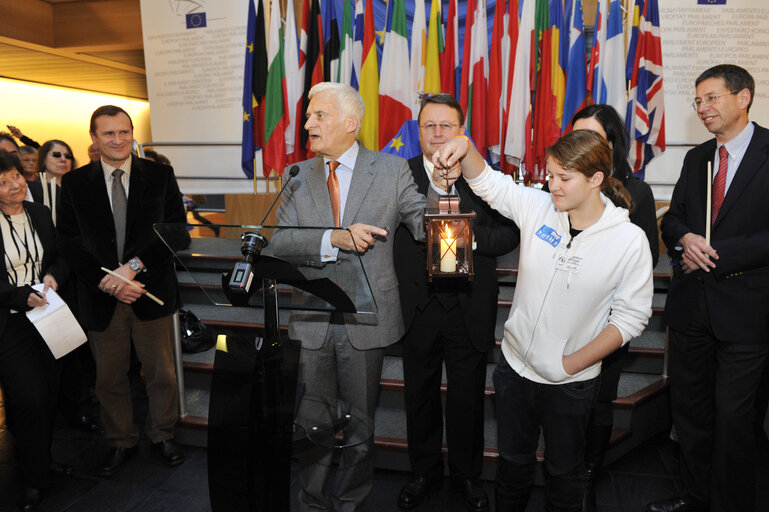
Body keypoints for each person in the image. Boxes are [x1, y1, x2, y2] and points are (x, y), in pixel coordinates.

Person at [433, 130, 653, 512]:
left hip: (570, 384)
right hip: (514, 370)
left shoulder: (629, 240)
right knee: (512, 467)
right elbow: (489, 183)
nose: (553, 185)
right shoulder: (539, 208)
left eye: (564, 178)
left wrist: (572, 363)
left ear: (596, 179)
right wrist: (464, 145)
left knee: (564, 474)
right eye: (550, 175)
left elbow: (631, 317)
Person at [270, 82, 426, 511]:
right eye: (308, 116)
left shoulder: (393, 171)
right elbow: (281, 242)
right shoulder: (297, 174)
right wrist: (334, 238)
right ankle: (313, 502)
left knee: (361, 424)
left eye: (319, 115)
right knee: (312, 423)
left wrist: (446, 200)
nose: (308, 123)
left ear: (350, 124)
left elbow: (422, 223)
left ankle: (350, 502)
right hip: (313, 317)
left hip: (367, 317)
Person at [649, 65, 769, 512]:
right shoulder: (697, 158)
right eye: (698, 100)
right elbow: (675, 217)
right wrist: (683, 238)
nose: (703, 108)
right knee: (692, 414)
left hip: (745, 311)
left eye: (712, 98)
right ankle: (696, 498)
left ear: (744, 98)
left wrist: (715, 251)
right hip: (691, 308)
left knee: (735, 419)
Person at [393, 94, 520, 512]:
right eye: (429, 126)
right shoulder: (399, 175)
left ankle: (467, 476)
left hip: (469, 307)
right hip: (417, 306)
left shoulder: (485, 178)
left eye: (446, 126)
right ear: (418, 131)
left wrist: (469, 239)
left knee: (467, 400)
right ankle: (424, 472)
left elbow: (509, 234)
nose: (437, 134)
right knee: (419, 396)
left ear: (461, 132)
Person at [56, 105, 187, 477]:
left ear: (133, 134)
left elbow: (176, 232)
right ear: (94, 139)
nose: (118, 140)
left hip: (150, 289)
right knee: (109, 377)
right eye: (109, 134)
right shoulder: (76, 183)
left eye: (124, 132)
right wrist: (108, 282)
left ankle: (162, 435)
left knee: (162, 373)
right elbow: (68, 242)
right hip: (101, 297)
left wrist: (133, 268)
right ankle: (121, 441)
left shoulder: (160, 176)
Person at [566, 104, 659, 512]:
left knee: (599, 402)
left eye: (593, 137)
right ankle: (564, 469)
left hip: (607, 321)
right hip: (563, 315)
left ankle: (588, 474)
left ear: (611, 143)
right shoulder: (562, 186)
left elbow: (648, 259)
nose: (583, 145)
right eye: (576, 137)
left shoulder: (635, 191)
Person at [0, 151, 68, 511]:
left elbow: (58, 255)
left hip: (48, 313)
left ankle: (44, 461)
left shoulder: (39, 214)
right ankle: (31, 478)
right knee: (28, 398)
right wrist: (18, 295)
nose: (14, 184)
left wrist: (54, 275)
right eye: (3, 180)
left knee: (50, 393)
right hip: (11, 321)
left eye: (16, 175)